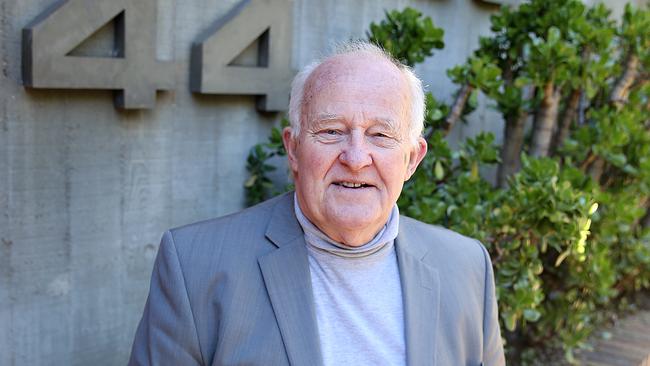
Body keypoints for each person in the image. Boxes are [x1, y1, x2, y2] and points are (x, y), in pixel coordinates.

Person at [128, 41, 505, 366]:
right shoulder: (194, 266)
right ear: (293, 149)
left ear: (411, 159)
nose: (356, 157)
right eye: (331, 132)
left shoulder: (468, 267)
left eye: (380, 135)